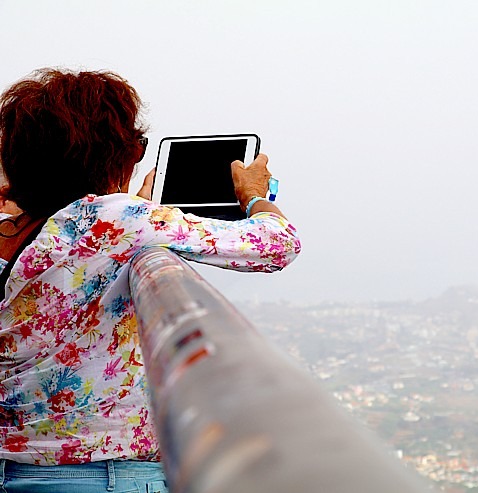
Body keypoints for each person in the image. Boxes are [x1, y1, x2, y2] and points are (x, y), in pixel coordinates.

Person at [0, 68, 301, 492]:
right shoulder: (117, 219)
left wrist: (136, 215)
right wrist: (253, 195)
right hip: (101, 473)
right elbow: (276, 244)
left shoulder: (18, 227)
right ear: (116, 155)